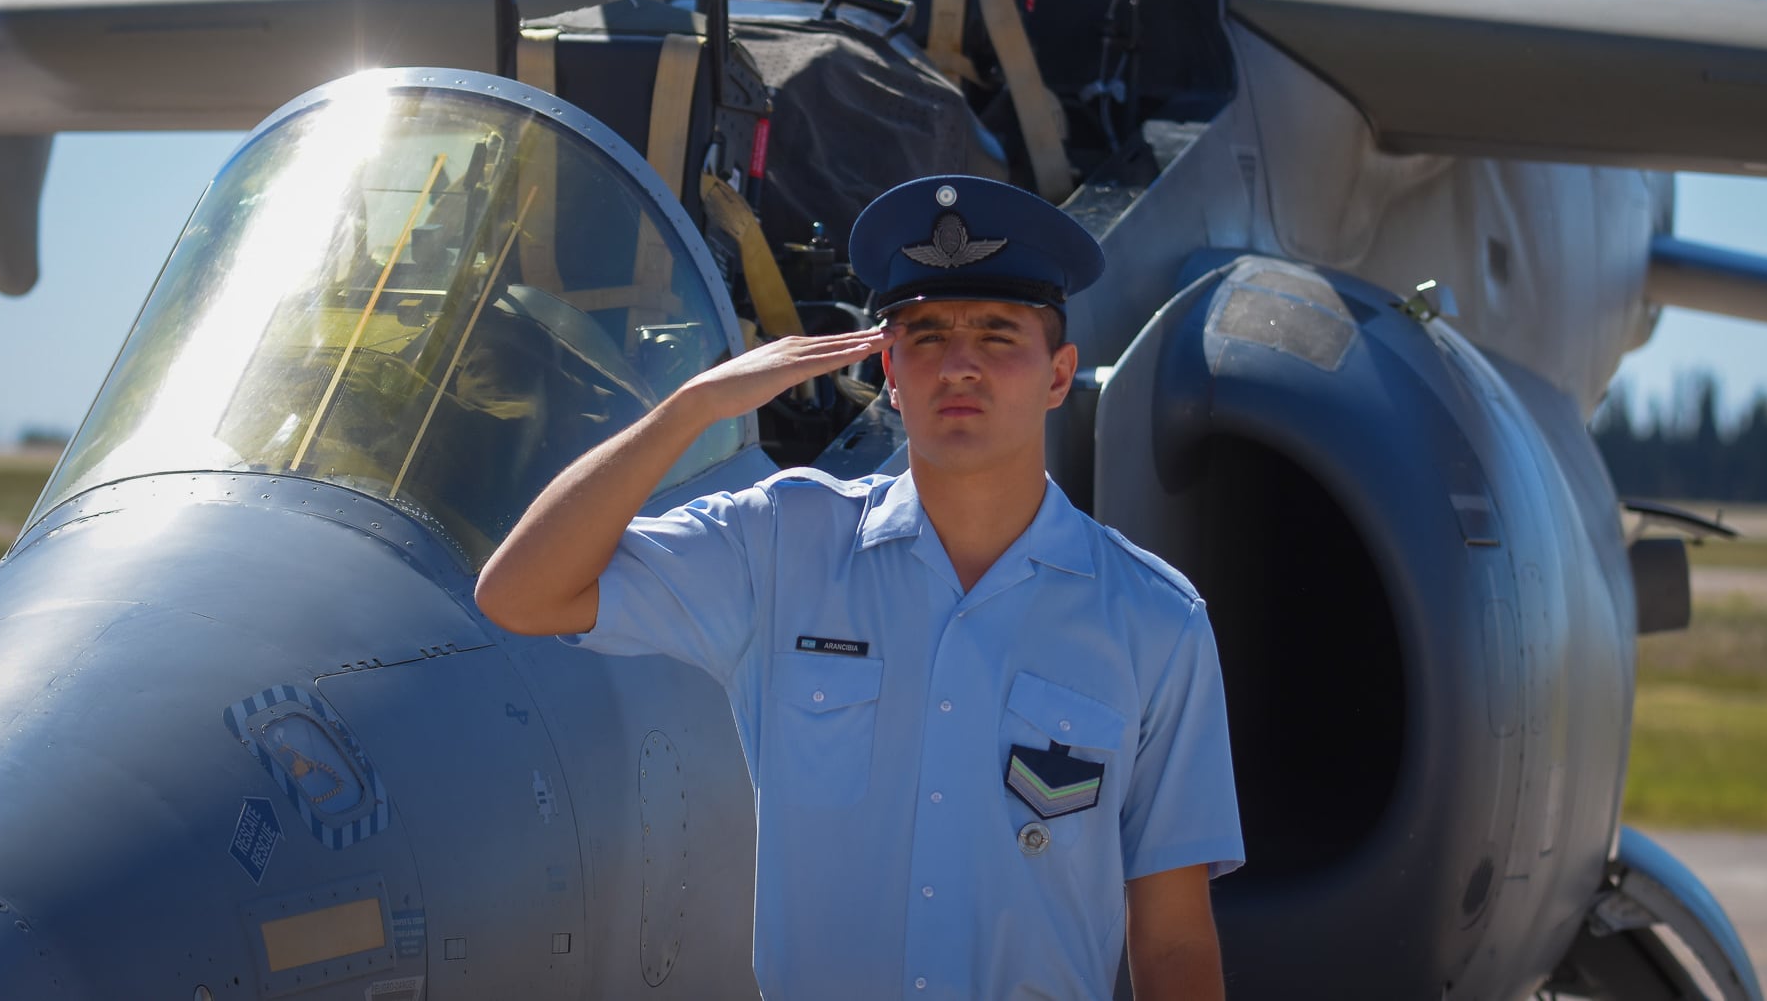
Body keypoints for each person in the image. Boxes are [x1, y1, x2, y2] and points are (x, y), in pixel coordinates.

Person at [476, 174, 1244, 1000]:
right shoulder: (782, 544)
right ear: (886, 369)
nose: (959, 365)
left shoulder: (1154, 619)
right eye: (925, 336)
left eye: (996, 335)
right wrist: (695, 407)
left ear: (1059, 375)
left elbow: (1171, 943)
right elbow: (521, 592)